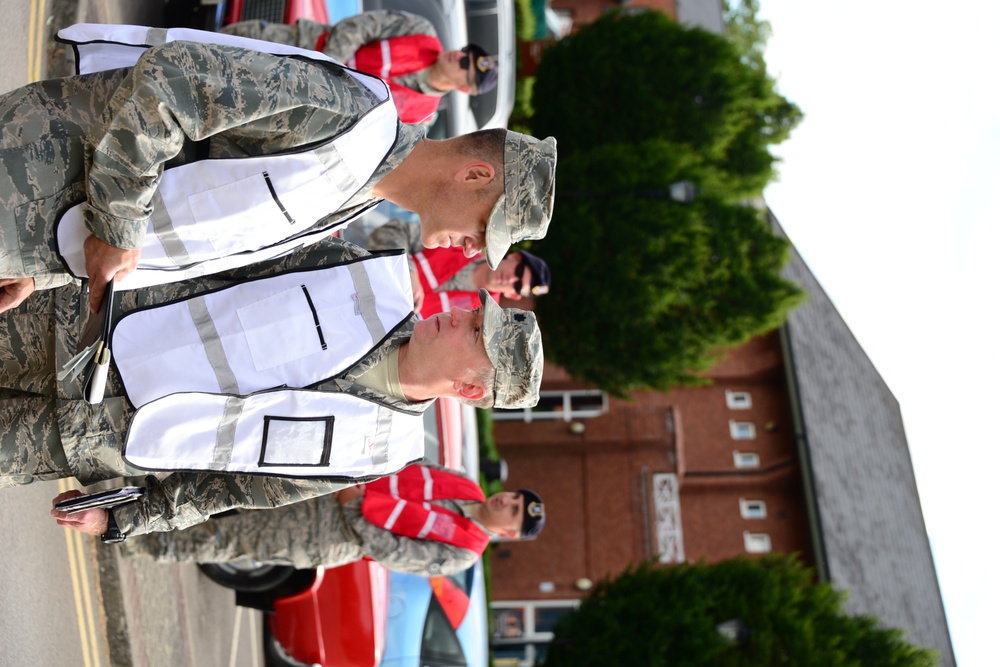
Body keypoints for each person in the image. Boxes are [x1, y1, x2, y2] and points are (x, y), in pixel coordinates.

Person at [0, 235, 544, 543]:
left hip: (87, 436)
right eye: (475, 312)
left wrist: (120, 517)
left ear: (471, 390)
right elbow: (222, 252)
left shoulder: (376, 450)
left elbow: (231, 489)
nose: (458, 315)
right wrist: (52, 269)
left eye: (475, 333)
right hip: (76, 328)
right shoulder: (374, 281)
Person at [0, 26, 556, 314]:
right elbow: (174, 79)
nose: (472, 251)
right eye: (487, 228)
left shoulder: (356, 196)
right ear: (476, 176)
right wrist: (115, 228)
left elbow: (183, 217)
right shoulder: (348, 117)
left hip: (38, 226)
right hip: (26, 171)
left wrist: (44, 269)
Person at [123, 464, 546, 577]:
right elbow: (409, 465)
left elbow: (396, 554)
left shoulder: (463, 553)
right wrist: (353, 479)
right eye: (515, 496)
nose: (507, 500)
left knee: (230, 537)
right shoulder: (465, 485)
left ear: (508, 532)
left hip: (330, 532)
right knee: (222, 489)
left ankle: (143, 542)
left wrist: (351, 505)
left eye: (513, 510)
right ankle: (134, 502)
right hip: (333, 485)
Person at [222, 10, 499, 124]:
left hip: (292, 101)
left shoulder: (420, 116)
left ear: (464, 87)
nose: (457, 55)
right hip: (297, 46)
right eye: (465, 52)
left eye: (465, 63)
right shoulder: (421, 31)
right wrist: (325, 70)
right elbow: (360, 26)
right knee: (211, 47)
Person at [369, 218, 552, 317]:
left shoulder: (480, 320)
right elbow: (390, 231)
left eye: (518, 285)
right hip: (360, 278)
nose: (512, 279)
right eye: (518, 271)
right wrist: (408, 271)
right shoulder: (457, 243)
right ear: (514, 256)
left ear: (514, 295)